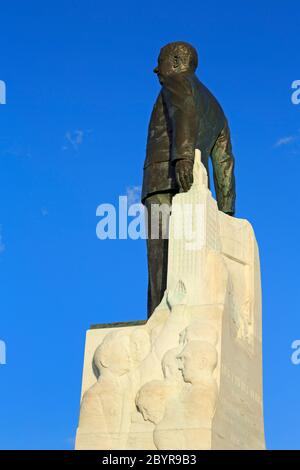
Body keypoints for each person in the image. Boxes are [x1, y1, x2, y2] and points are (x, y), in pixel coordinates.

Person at [142, 41, 236, 317]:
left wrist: (182, 156)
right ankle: (180, 314)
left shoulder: (176, 81)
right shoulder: (216, 108)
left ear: (174, 61)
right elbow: (225, 162)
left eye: (159, 60)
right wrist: (226, 211)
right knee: (188, 258)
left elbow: (183, 109)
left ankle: (157, 319)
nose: (155, 68)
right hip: (196, 186)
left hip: (164, 180)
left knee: (160, 258)